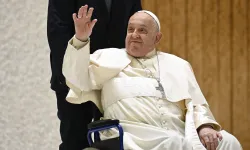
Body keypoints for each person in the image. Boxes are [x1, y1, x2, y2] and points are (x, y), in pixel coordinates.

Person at [62, 6, 242, 150]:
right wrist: (81, 39)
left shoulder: (178, 65)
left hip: (179, 131)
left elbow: (196, 104)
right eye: (130, 29)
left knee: (228, 143)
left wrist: (205, 126)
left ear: (157, 38)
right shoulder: (106, 58)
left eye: (142, 30)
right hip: (134, 134)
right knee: (174, 144)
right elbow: (76, 79)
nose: (134, 34)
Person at [47, 0, 142, 149]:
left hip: (115, 79)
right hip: (74, 80)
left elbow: (136, 23)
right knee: (75, 141)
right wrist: (67, 78)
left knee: (113, 141)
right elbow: (58, 32)